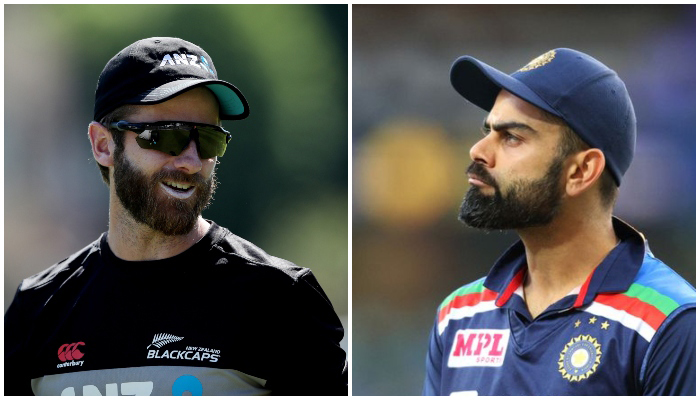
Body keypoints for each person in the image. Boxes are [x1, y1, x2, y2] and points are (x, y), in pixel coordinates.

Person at [5, 37, 347, 396]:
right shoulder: (37, 309)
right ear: (103, 145)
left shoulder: (282, 301)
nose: (191, 161)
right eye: (166, 137)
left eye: (209, 140)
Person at [422, 48, 695, 395]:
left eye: (511, 137)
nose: (479, 150)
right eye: (487, 130)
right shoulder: (457, 315)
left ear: (581, 171)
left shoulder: (671, 324)